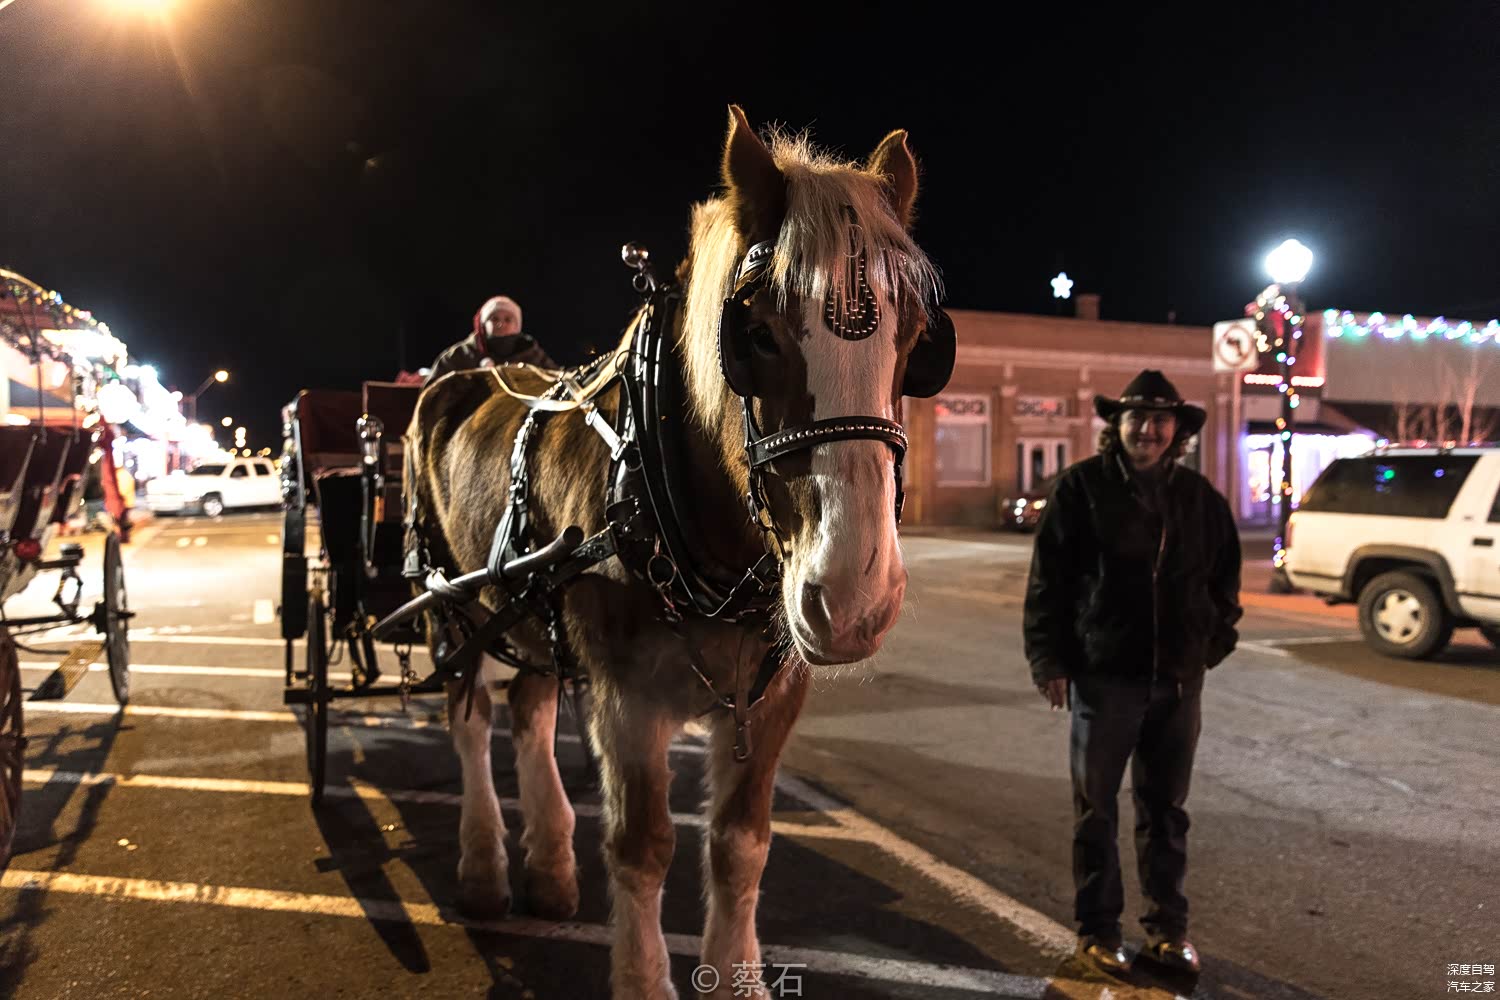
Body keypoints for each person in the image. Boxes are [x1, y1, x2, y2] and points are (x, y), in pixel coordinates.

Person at [1023, 369, 1241, 979]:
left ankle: (1168, 932)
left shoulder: (1201, 501)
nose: (1148, 430)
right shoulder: (1081, 490)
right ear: (1116, 427)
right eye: (1136, 418)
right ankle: (1097, 932)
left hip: (1177, 683)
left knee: (1166, 812)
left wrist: (1207, 645)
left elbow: (1226, 582)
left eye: (1160, 420)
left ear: (1177, 432)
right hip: (1103, 679)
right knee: (1096, 810)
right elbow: (1049, 585)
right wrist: (1050, 660)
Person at [422, 295, 557, 386]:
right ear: (483, 325)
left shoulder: (533, 355)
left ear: (517, 326)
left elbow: (555, 379)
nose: (500, 324)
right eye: (494, 319)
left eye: (508, 319)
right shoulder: (461, 355)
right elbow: (433, 389)